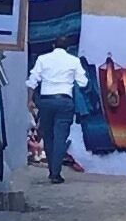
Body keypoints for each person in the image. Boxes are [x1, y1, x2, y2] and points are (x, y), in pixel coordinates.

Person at [26, 41, 88, 182]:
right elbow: (83, 82)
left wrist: (29, 100)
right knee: (60, 137)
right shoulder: (74, 61)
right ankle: (56, 172)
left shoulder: (42, 59)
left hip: (46, 101)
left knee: (48, 136)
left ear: (53, 46)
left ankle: (52, 170)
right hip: (65, 101)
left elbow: (32, 81)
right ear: (67, 48)